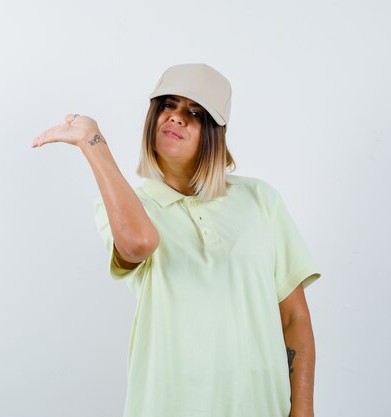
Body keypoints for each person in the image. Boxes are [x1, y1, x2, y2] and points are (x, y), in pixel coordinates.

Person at [31, 63, 321, 417]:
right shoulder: (127, 209)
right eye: (168, 105)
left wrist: (302, 412)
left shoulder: (261, 200)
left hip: (260, 406)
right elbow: (139, 243)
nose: (177, 117)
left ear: (215, 132)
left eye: (195, 112)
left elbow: (294, 318)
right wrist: (94, 143)